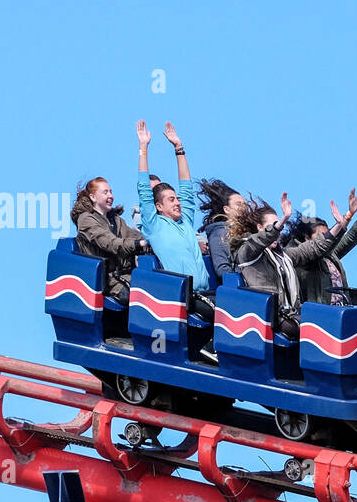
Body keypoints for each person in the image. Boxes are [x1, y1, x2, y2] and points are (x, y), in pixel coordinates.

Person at [135, 121, 217, 362]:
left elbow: (187, 188)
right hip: (182, 295)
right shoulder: (154, 225)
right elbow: (143, 188)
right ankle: (211, 349)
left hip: (205, 292)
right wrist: (143, 148)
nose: (177, 202)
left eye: (177, 199)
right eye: (171, 200)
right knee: (223, 315)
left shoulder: (186, 222)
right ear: (159, 206)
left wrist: (179, 148)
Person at [227, 193, 350, 339]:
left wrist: (339, 226)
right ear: (260, 227)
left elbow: (315, 247)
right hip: (268, 318)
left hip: (291, 314)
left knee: (332, 320)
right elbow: (261, 240)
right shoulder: (247, 252)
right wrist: (282, 221)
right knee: (318, 326)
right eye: (272, 227)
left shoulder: (285, 255)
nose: (277, 233)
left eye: (280, 227)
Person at [289, 189, 357, 305]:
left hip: (341, 313)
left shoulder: (330, 255)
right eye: (322, 236)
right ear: (307, 238)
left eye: (328, 234)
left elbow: (350, 238)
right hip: (319, 317)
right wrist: (345, 220)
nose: (327, 239)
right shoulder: (304, 260)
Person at [70, 177, 150, 302]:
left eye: (111, 192)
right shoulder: (85, 220)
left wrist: (150, 242)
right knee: (138, 297)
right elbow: (109, 243)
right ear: (93, 197)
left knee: (155, 287)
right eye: (105, 192)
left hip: (127, 275)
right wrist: (138, 244)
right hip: (106, 280)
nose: (110, 196)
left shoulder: (116, 220)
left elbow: (133, 235)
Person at [198, 179, 248, 282]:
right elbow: (222, 269)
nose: (244, 207)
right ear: (226, 209)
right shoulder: (219, 234)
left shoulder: (249, 233)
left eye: (245, 204)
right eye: (239, 204)